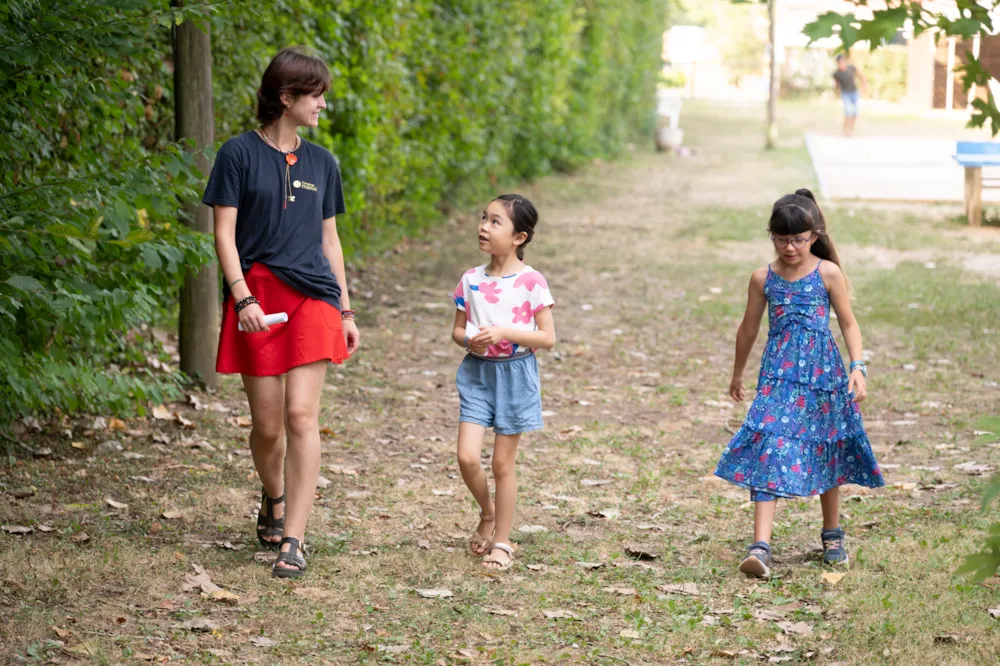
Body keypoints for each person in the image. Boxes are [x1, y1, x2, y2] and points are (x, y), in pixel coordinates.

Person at [202, 47, 360, 579]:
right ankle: (272, 496)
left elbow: (330, 242)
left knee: (301, 417)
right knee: (267, 427)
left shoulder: (323, 162)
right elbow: (224, 233)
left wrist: (345, 308)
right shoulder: (237, 154)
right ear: (286, 97)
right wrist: (241, 296)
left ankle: (293, 539)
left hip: (313, 294)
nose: (322, 105)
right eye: (315, 95)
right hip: (258, 295)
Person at [714, 188, 883, 579]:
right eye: (782, 238)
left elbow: (848, 323)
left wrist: (858, 366)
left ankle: (832, 534)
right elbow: (748, 329)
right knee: (768, 445)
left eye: (799, 239)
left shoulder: (828, 272)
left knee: (828, 446)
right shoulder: (763, 278)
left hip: (823, 377)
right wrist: (737, 373)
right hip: (777, 378)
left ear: (815, 235)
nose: (791, 247)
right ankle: (760, 547)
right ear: (771, 235)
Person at [451, 195, 556, 572]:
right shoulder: (470, 279)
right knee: (466, 457)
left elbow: (547, 337)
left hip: (516, 374)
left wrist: (504, 333)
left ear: (519, 237)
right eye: (483, 218)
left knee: (501, 464)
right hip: (477, 373)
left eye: (495, 222)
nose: (483, 226)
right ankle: (488, 511)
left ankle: (503, 541)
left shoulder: (532, 282)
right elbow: (458, 330)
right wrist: (471, 340)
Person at [833, 54, 868, 137]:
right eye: (839, 63)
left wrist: (864, 85)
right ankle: (844, 131)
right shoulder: (837, 73)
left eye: (842, 62)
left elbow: (861, 76)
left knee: (855, 113)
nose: (841, 64)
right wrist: (837, 94)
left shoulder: (851, 68)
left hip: (854, 92)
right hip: (845, 94)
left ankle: (850, 131)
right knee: (848, 112)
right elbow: (837, 85)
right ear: (837, 63)